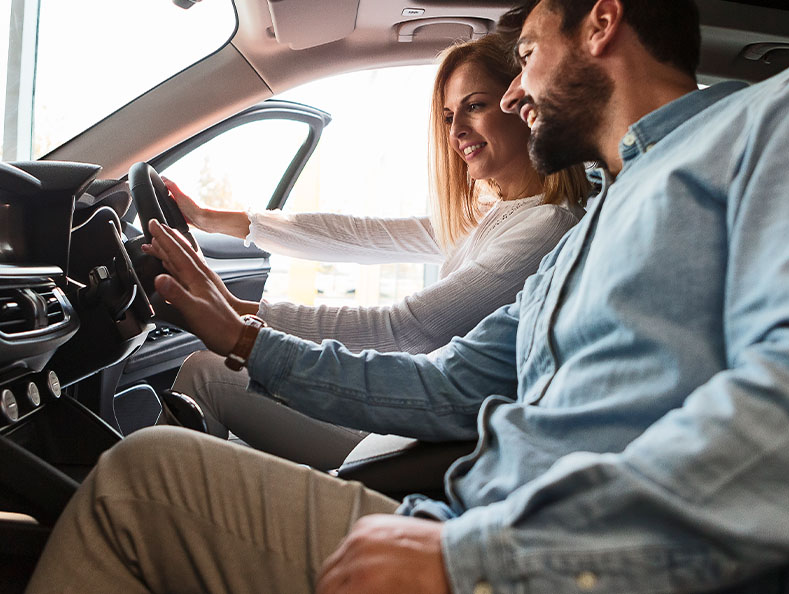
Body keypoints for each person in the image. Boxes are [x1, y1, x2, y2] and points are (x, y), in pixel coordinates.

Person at [27, 1, 789, 593]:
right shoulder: (592, 224)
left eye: (525, 57)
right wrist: (244, 340)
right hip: (469, 522)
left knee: (144, 481)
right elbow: (447, 384)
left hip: (524, 553)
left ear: (601, 21)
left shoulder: (762, 126)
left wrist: (479, 559)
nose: (518, 90)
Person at [165, 34, 590, 468]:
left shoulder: (547, 226)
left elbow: (405, 331)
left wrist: (239, 312)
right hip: (401, 419)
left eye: (474, 105)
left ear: (523, 103)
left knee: (205, 374)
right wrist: (208, 219)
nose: (456, 130)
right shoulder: (491, 215)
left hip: (406, 435)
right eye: (447, 116)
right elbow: (358, 235)